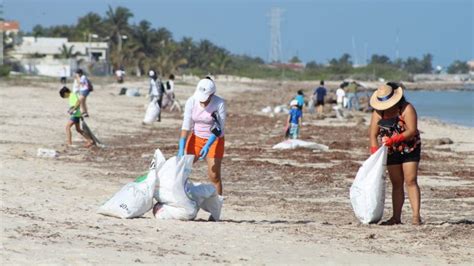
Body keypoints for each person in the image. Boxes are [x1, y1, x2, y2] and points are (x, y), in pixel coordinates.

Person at [369, 82, 422, 225]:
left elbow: (412, 130)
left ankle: (416, 216)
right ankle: (396, 217)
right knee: (396, 183)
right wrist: (375, 154)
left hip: (409, 147)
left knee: (411, 180)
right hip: (391, 151)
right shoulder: (378, 112)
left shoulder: (406, 108)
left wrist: (394, 139)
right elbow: (373, 135)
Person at [177, 76, 226, 197]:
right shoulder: (192, 101)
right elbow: (186, 125)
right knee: (181, 169)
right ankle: (180, 197)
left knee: (214, 175)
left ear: (212, 94)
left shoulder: (219, 103)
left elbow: (219, 128)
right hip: (196, 138)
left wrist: (208, 145)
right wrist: (181, 146)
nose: (202, 101)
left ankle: (216, 209)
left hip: (215, 140)